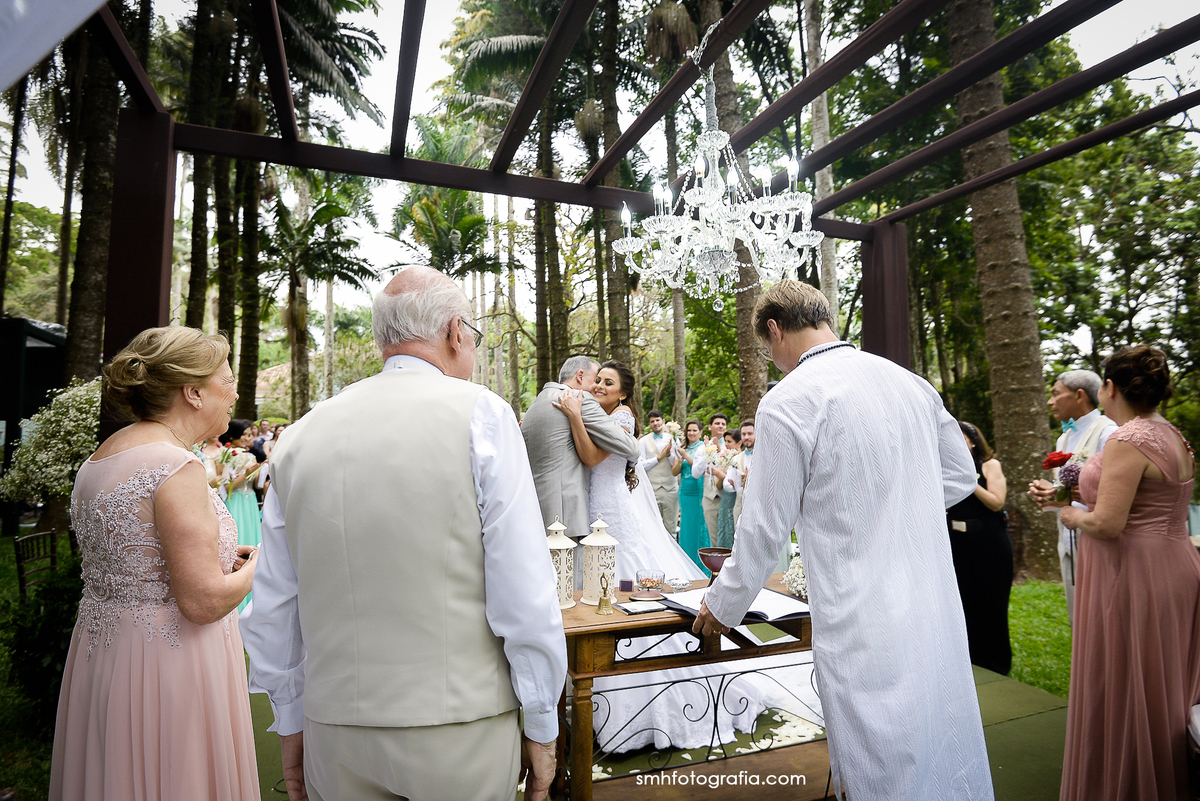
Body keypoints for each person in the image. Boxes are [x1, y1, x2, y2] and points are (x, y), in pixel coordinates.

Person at [241, 266, 567, 801]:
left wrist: (291, 717)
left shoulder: (299, 436)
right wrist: (541, 721)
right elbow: (523, 589)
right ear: (455, 332)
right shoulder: (481, 415)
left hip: (335, 728)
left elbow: (276, 599)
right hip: (461, 726)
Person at [694, 280, 993, 800]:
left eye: (768, 349)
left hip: (857, 601)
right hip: (928, 591)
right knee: (939, 719)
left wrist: (722, 604)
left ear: (774, 330)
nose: (773, 362)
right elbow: (961, 475)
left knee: (876, 743)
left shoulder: (787, 400)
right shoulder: (910, 382)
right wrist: (896, 506)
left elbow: (764, 527)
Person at [555, 360, 818, 752]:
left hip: (613, 514)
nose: (599, 387)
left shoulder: (622, 418)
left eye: (609, 382)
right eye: (598, 381)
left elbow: (593, 458)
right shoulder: (601, 414)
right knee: (599, 589)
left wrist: (575, 416)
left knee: (624, 588)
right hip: (597, 509)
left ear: (624, 393)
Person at [49, 326, 259, 800]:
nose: (235, 394)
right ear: (193, 392)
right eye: (227, 381)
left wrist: (227, 556)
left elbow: (138, 557)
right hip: (170, 665)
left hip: (105, 655)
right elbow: (203, 602)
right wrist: (261, 567)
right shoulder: (177, 466)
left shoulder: (101, 457)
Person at [1058, 345, 1199, 801]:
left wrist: (1071, 515)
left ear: (1109, 388)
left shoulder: (1127, 439)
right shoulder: (1173, 435)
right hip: (1175, 565)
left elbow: (1107, 523)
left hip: (1133, 572)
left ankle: (1130, 783)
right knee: (1163, 680)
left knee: (1126, 677)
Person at [522, 355, 640, 583]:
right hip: (568, 512)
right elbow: (631, 446)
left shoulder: (537, 404)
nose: (596, 387)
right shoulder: (578, 399)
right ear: (580, 376)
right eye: (595, 379)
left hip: (538, 511)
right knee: (572, 587)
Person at [1027, 370, 1117, 626]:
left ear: (1079, 395)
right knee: (1077, 617)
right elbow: (1067, 491)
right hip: (1068, 540)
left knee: (1103, 617)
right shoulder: (1063, 438)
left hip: (1099, 540)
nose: (1049, 401)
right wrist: (1049, 494)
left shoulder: (1108, 433)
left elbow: (1115, 491)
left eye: (1056, 394)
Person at [947, 421, 1013, 675]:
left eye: (961, 438)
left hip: (989, 545)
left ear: (974, 441)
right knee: (965, 605)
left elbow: (997, 502)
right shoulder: (946, 470)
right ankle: (971, 663)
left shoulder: (989, 465)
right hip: (958, 546)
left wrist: (970, 482)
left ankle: (996, 664)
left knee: (992, 605)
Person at [638, 409, 680, 536]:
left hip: (670, 489)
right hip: (651, 489)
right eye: (652, 421)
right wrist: (658, 458)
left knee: (671, 527)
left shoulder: (674, 438)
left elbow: (677, 463)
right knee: (652, 527)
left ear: (663, 421)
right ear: (649, 424)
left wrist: (668, 455)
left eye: (657, 420)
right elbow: (641, 465)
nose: (655, 423)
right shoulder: (643, 441)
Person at [676, 419, 709, 571]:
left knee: (698, 525)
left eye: (695, 430)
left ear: (700, 432)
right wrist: (678, 457)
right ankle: (685, 562)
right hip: (684, 490)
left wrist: (685, 455)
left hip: (698, 490)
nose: (691, 433)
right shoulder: (683, 447)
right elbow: (675, 471)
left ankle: (699, 563)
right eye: (689, 430)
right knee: (686, 526)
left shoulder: (703, 447)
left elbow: (698, 468)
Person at [701, 413, 729, 543]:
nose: (720, 426)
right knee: (713, 537)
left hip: (727, 496)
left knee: (728, 535)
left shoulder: (730, 445)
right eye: (717, 423)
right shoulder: (701, 447)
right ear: (710, 426)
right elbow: (696, 471)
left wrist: (719, 450)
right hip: (709, 497)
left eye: (723, 424)